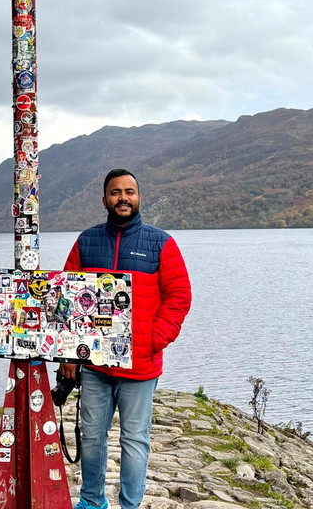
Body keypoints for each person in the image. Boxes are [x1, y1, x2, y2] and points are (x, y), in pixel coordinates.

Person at [60, 168, 192, 509]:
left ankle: (129, 506)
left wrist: (152, 339)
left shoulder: (161, 243)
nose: (123, 197)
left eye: (129, 191)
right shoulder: (86, 242)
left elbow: (179, 297)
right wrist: (69, 356)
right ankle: (91, 502)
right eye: (116, 192)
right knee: (91, 438)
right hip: (94, 365)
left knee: (134, 440)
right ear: (104, 199)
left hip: (141, 366)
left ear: (138, 197)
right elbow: (66, 301)